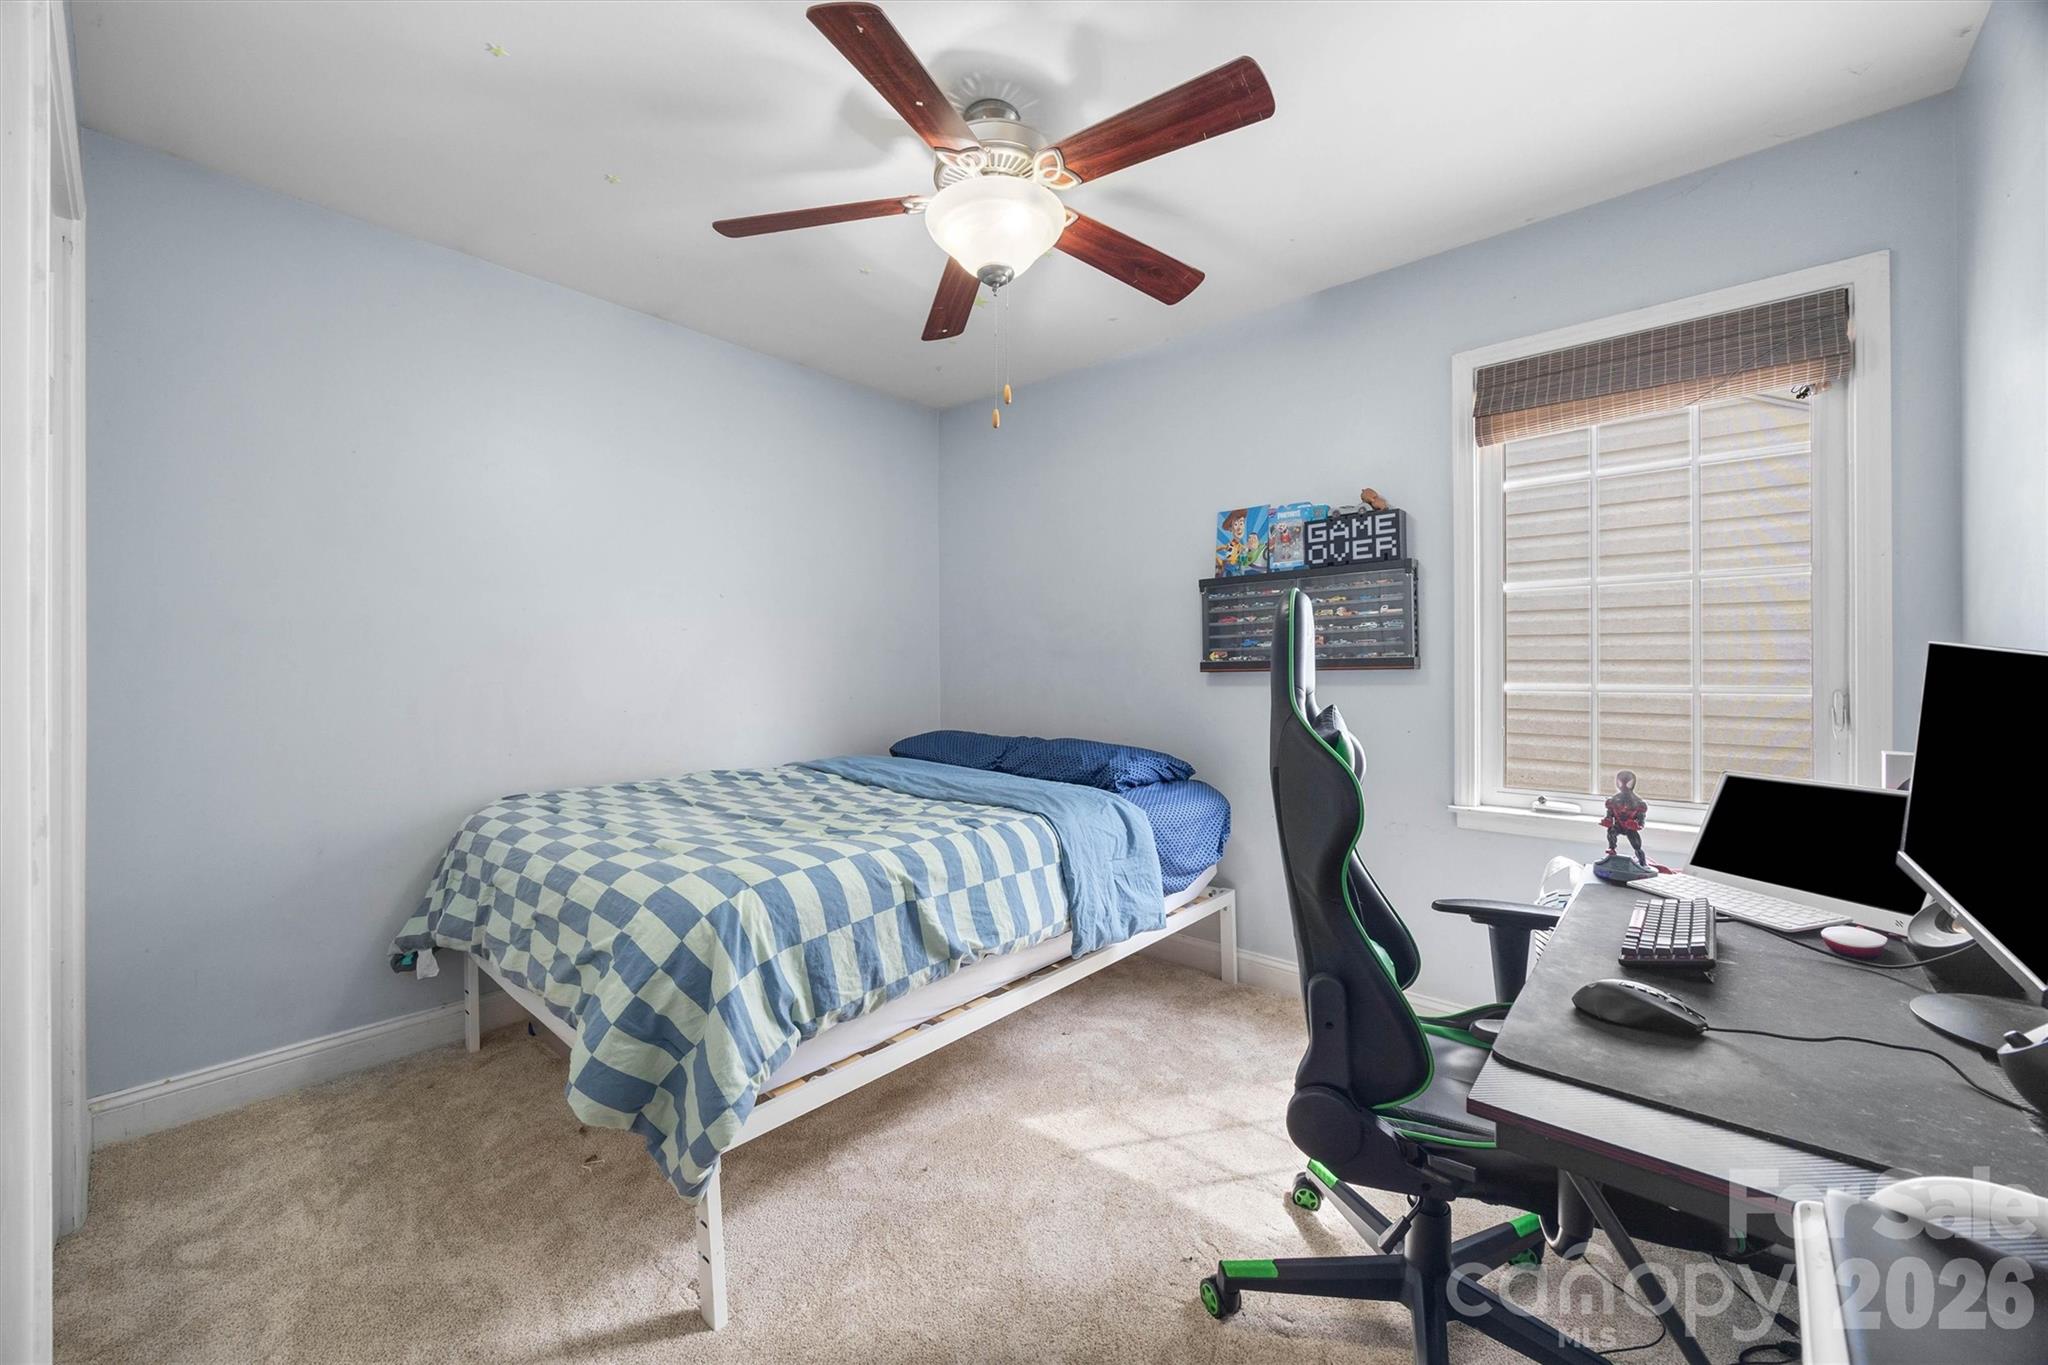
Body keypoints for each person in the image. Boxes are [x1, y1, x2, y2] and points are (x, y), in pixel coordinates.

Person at [1601, 770, 1648, 866]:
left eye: (1627, 783)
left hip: (1630, 827)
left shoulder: (1638, 803)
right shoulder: (1613, 801)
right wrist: (1608, 820)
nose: (1623, 786)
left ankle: (1643, 863)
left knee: (1636, 845)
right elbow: (1609, 815)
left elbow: (1641, 821)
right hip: (1618, 825)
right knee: (1612, 830)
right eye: (1621, 783)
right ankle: (1611, 849)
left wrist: (1637, 825)